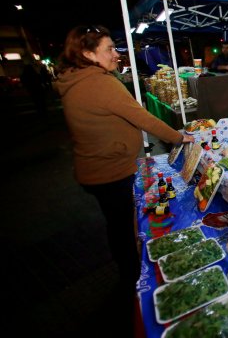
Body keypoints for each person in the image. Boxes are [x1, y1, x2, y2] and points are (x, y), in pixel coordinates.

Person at [53, 25, 195, 327]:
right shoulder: (99, 83)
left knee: (116, 224)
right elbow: (139, 115)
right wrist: (178, 137)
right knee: (123, 226)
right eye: (109, 49)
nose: (116, 54)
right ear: (88, 54)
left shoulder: (74, 79)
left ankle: (127, 271)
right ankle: (134, 279)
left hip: (95, 168)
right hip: (110, 170)